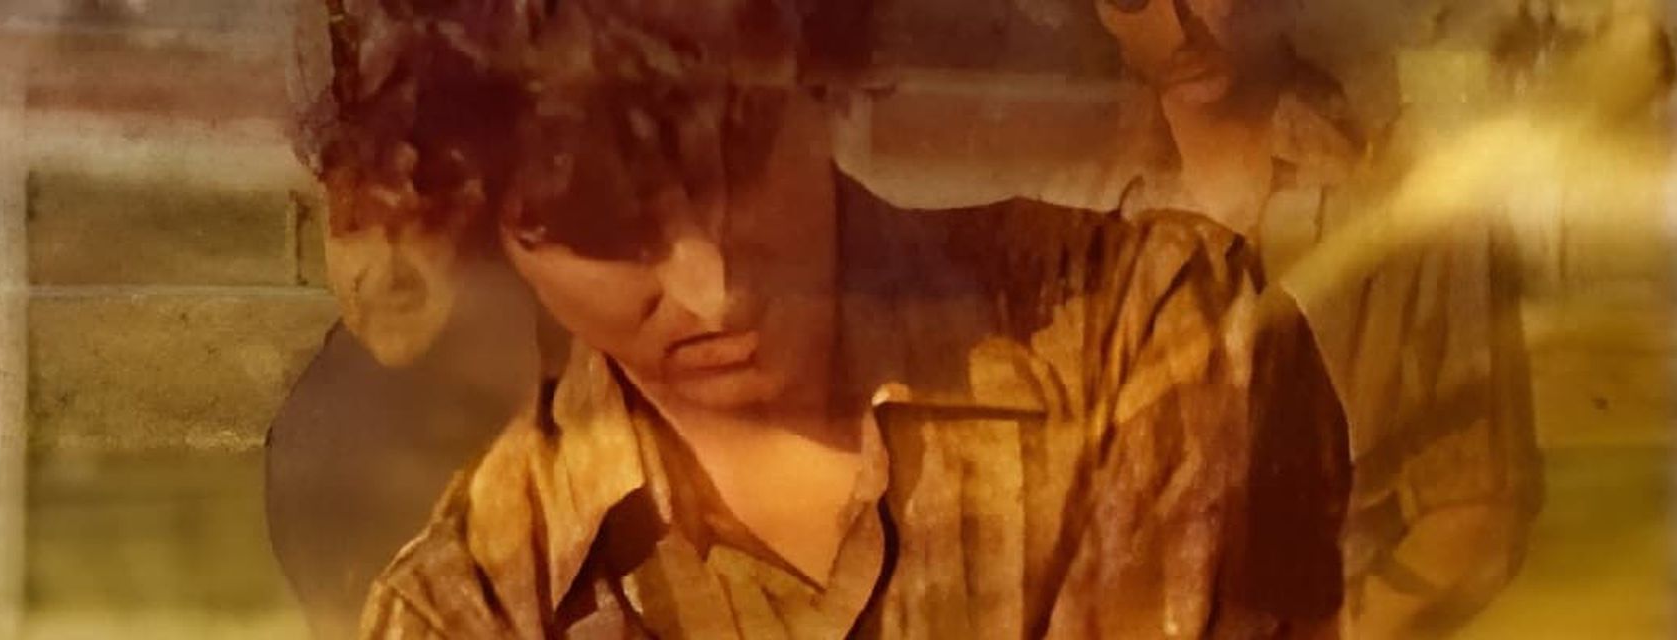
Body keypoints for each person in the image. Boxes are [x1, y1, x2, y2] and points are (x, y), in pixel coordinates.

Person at [284, 0, 1351, 636]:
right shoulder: (468, 612)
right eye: (607, 230)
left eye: (741, 158)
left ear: (814, 68)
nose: (713, 286)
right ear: (484, 227)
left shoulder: (1148, 340)